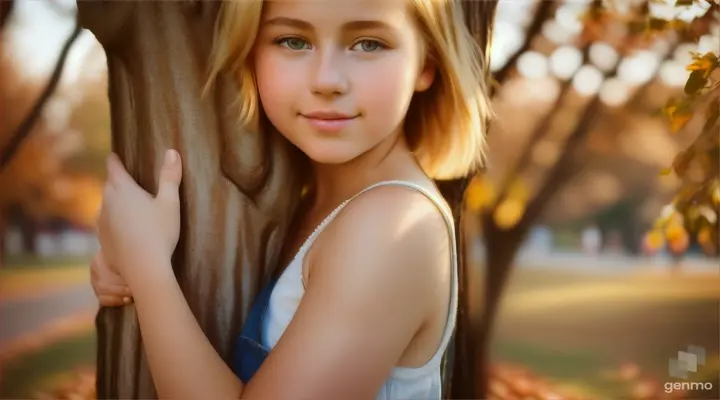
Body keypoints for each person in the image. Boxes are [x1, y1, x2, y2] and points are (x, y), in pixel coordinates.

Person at [90, 0, 492, 398]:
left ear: (427, 63)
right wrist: (131, 264)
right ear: (251, 53)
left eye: (368, 44)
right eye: (293, 41)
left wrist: (147, 266)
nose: (327, 80)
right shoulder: (313, 202)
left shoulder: (394, 226)